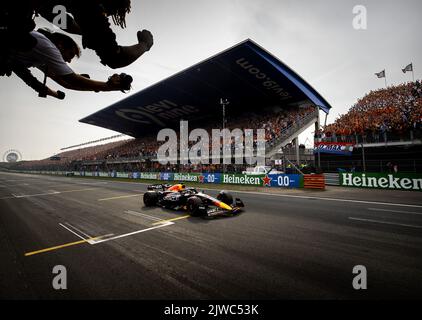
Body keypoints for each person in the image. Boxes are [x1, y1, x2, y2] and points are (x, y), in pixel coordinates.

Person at [10, 29, 131, 97]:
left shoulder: (41, 57)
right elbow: (72, 80)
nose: (68, 61)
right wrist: (107, 86)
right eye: (70, 55)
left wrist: (94, 87)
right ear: (61, 45)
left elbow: (65, 83)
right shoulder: (48, 47)